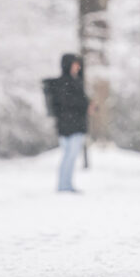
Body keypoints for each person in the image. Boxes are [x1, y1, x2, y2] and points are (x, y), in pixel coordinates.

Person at [45, 53, 88, 193]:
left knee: (71, 157)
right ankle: (63, 185)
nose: (77, 67)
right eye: (75, 64)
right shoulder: (64, 84)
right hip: (69, 127)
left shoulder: (76, 82)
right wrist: (85, 105)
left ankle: (66, 184)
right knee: (68, 156)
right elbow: (68, 103)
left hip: (74, 126)